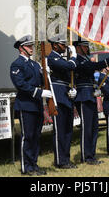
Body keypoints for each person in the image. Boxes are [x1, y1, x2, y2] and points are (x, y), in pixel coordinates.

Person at [73, 38, 109, 165]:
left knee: (94, 127)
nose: (87, 49)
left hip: (90, 95)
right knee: (87, 127)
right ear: (78, 48)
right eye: (84, 46)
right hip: (83, 96)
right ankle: (86, 156)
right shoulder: (77, 60)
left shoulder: (85, 59)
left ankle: (91, 155)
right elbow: (93, 66)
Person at [10, 35, 51, 176]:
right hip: (26, 104)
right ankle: (26, 167)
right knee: (27, 136)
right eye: (29, 46)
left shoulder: (35, 64)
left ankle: (33, 164)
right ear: (21, 48)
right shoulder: (17, 64)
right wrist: (39, 92)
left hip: (36, 104)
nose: (31, 48)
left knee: (35, 136)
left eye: (32, 46)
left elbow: (42, 80)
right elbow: (21, 84)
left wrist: (46, 72)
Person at [46, 36, 78, 169]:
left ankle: (66, 159)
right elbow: (69, 66)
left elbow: (71, 75)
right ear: (54, 46)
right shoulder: (52, 58)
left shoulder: (60, 58)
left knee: (68, 131)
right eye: (62, 44)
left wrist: (73, 89)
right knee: (60, 131)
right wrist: (74, 56)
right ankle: (60, 161)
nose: (65, 46)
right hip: (58, 98)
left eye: (65, 44)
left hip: (66, 97)